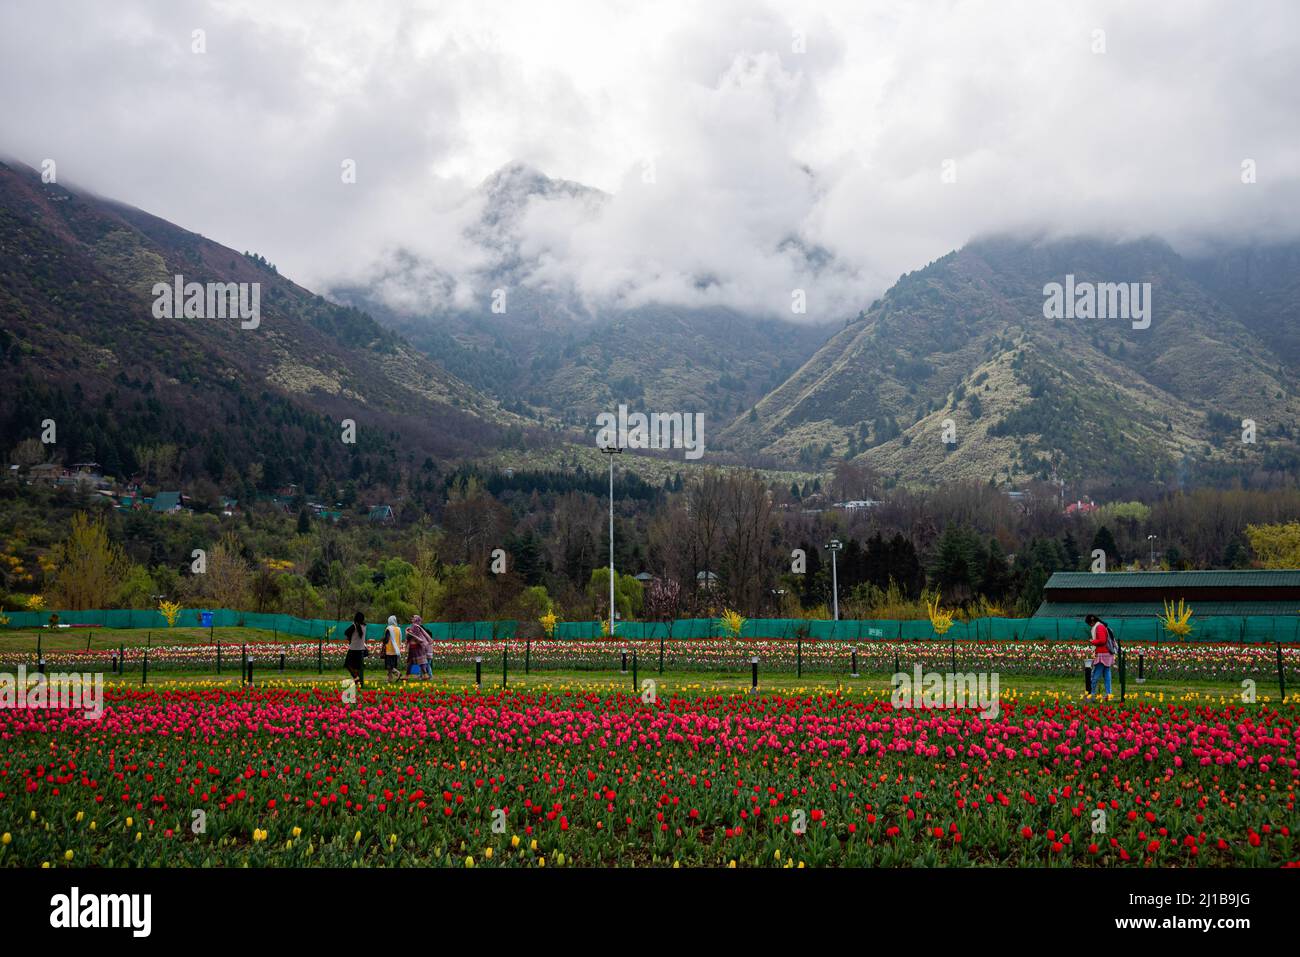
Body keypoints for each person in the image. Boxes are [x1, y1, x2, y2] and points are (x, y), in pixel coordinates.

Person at [1085, 614, 1114, 698]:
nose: (1090, 625)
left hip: (1102, 654)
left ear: (1092, 621)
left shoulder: (1099, 627)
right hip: (1107, 654)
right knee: (1107, 675)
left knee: (1095, 675)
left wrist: (1092, 641)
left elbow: (1102, 640)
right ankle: (1109, 694)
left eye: (1089, 623)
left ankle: (1092, 693)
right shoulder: (1101, 626)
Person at [405, 615, 433, 680]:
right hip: (413, 647)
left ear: (417, 619)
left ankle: (425, 675)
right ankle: (407, 676)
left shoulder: (415, 627)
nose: (412, 618)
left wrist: (408, 633)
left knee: (421, 662)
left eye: (414, 617)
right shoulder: (414, 626)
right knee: (411, 662)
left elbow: (415, 637)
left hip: (417, 647)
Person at [344, 611, 367, 685]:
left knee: (347, 664)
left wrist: (349, 638)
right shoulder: (364, 626)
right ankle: (357, 681)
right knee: (356, 666)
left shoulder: (354, 626)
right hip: (361, 649)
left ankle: (355, 677)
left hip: (353, 649)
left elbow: (346, 632)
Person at [382, 614, 405, 682]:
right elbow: (400, 639)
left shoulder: (389, 628)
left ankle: (398, 673)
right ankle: (390, 679)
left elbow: (387, 639)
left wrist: (383, 640)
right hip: (396, 650)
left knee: (389, 666)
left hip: (389, 649)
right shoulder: (398, 629)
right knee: (392, 665)